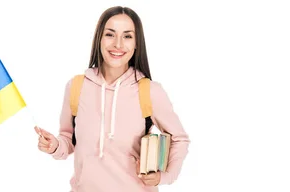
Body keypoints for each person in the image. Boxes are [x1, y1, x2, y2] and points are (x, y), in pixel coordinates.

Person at [34, 6, 190, 192]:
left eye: (127, 36)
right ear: (99, 38)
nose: (118, 44)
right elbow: (69, 139)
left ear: (136, 44)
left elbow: (179, 139)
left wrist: (164, 177)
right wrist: (55, 145)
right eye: (110, 34)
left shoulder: (149, 91)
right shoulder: (76, 86)